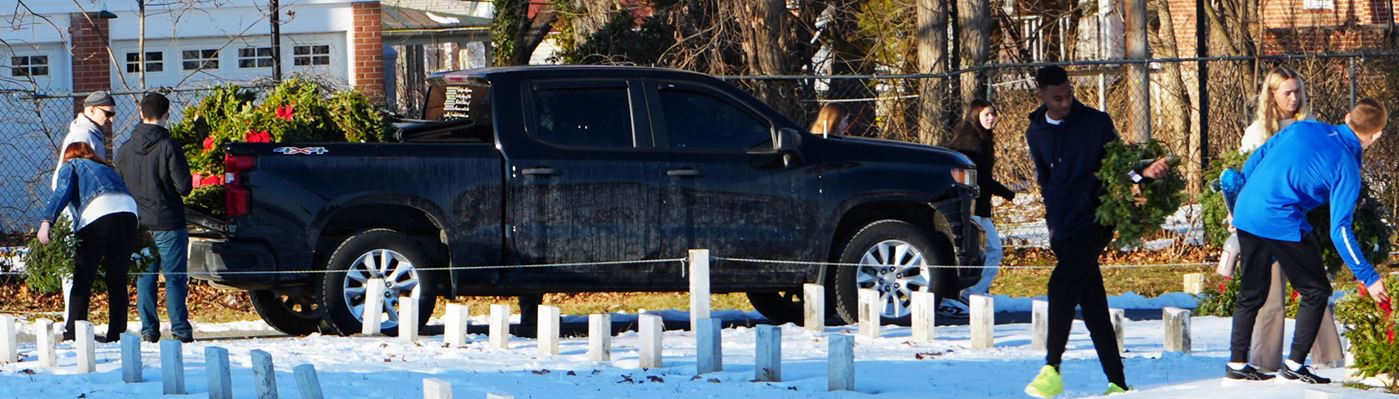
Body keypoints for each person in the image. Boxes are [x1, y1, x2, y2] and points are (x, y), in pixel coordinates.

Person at [1021, 66, 1169, 398]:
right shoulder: (1036, 132)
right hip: (1063, 226)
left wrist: (1142, 174)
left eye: (1068, 94)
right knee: (1093, 306)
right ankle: (1117, 382)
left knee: (1060, 284)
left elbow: (1118, 166)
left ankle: (1052, 369)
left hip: (1096, 220)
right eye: (1056, 98)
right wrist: (1052, 219)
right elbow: (1046, 180)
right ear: (1042, 96)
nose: (1065, 102)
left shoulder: (1096, 122)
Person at [1225, 98, 1390, 384]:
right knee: (1316, 290)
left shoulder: (1303, 128)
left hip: (1248, 211)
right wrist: (1368, 276)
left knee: (1252, 289)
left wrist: (1242, 195)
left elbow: (1258, 157)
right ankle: (1295, 363)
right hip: (1281, 220)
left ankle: (1237, 362)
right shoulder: (1347, 166)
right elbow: (1340, 229)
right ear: (1376, 135)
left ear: (1348, 116)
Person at [1223, 66, 1343, 372]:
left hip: (1299, 220)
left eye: (1298, 90)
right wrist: (1237, 212)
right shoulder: (1257, 132)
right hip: (1266, 220)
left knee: (1314, 288)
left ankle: (1327, 356)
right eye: (1287, 92)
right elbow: (1246, 174)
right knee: (1269, 295)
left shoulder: (1310, 124)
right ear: (1272, 95)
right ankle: (1265, 360)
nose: (1294, 97)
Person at [38, 142, 139, 342]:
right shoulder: (106, 169)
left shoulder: (72, 165)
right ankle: (117, 334)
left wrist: (47, 221)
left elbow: (63, 191)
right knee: (117, 279)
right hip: (129, 214)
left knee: (83, 276)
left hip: (97, 214)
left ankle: (74, 332)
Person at [115, 93, 195, 343]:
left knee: (144, 279)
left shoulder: (125, 149)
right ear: (166, 115)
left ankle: (149, 329)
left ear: (140, 113)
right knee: (174, 278)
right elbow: (184, 186)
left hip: (138, 224)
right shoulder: (169, 146)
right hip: (169, 221)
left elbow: (118, 185)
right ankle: (180, 328)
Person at [946, 99, 1015, 304]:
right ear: (976, 115)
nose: (991, 118)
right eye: (987, 114)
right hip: (972, 204)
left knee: (986, 251)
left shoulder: (981, 137)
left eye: (993, 114)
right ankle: (973, 293)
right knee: (992, 250)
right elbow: (979, 177)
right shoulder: (971, 140)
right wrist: (1005, 192)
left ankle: (972, 291)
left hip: (978, 204)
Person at [54, 91, 117, 187]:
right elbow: (73, 178)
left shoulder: (92, 134)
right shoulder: (82, 136)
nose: (111, 119)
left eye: (113, 114)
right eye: (108, 114)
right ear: (92, 110)